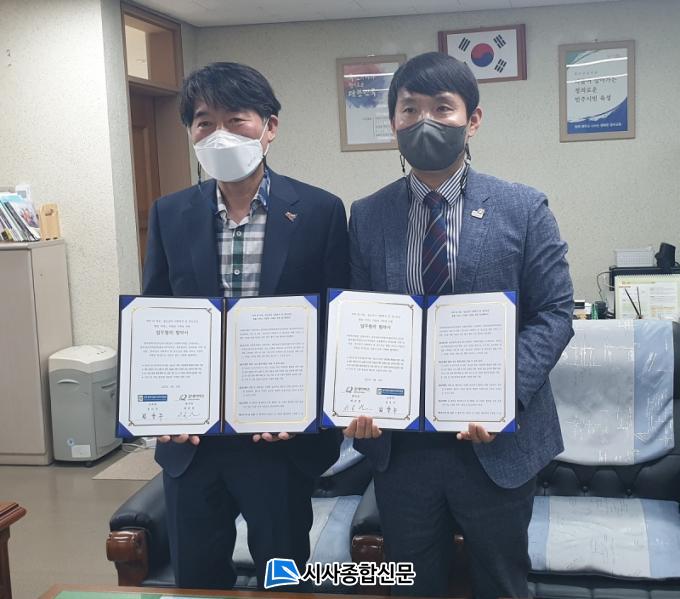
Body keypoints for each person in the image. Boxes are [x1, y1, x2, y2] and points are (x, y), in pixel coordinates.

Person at [344, 52, 574, 599]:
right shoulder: (368, 215)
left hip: (494, 443)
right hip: (402, 448)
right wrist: (355, 395)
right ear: (393, 122)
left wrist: (501, 397)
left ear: (472, 120)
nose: (424, 121)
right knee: (411, 584)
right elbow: (357, 317)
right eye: (409, 109)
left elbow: (555, 312)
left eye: (442, 108)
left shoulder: (524, 207)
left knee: (500, 583)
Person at [143, 62, 348, 590]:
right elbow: (157, 315)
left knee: (283, 577)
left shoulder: (320, 211)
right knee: (197, 580)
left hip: (276, 438)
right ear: (190, 132)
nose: (220, 135)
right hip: (194, 439)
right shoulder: (169, 213)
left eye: (236, 120)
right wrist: (159, 405)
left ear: (269, 127)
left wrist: (308, 408)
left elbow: (336, 325)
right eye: (204, 123)